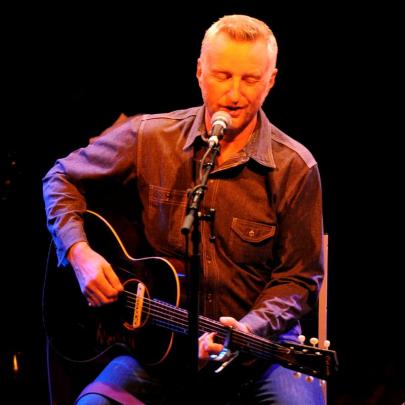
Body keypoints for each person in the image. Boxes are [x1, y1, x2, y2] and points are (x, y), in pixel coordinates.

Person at [43, 14, 325, 405]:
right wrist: (79, 253)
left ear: (272, 81)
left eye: (250, 79)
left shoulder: (295, 168)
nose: (234, 94)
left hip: (261, 353)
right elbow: (61, 177)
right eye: (222, 76)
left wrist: (247, 329)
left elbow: (300, 278)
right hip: (156, 349)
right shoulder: (151, 137)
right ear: (199, 72)